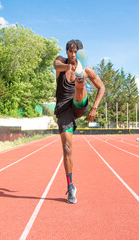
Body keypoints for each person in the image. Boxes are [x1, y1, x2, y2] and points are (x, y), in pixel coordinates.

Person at [53, 39, 105, 204]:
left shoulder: (87, 70)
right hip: (63, 110)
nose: (73, 55)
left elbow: (101, 87)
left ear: (80, 53)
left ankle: (80, 81)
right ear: (67, 52)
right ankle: (71, 187)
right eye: (71, 52)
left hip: (79, 104)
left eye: (76, 52)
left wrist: (95, 108)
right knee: (67, 148)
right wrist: (70, 67)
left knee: (80, 84)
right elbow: (56, 65)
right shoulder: (61, 62)